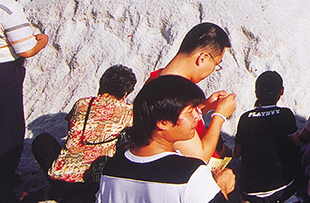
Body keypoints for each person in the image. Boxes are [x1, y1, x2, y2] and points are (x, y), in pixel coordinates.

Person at [97, 75, 235, 203]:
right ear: (163, 122)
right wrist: (221, 186)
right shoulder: (191, 173)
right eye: (190, 111)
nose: (197, 117)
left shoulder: (112, 168)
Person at [32, 65, 136, 198]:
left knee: (42, 140)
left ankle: (59, 192)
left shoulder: (81, 103)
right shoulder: (129, 111)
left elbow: (72, 128)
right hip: (93, 184)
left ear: (102, 83)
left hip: (60, 179)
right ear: (126, 93)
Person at [152, 23, 236, 163]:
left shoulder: (158, 80)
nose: (213, 70)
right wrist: (220, 115)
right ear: (202, 58)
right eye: (216, 64)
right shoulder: (173, 93)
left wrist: (205, 107)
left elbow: (177, 122)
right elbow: (198, 157)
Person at [0, 0, 48, 202]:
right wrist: (42, 40)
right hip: (4, 73)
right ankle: (7, 189)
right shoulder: (8, 7)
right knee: (9, 131)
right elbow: (26, 49)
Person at [234, 71, 301, 203]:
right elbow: (296, 144)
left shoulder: (245, 118)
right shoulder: (285, 114)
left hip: (250, 190)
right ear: (281, 91)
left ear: (256, 93)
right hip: (283, 186)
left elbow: (237, 152)